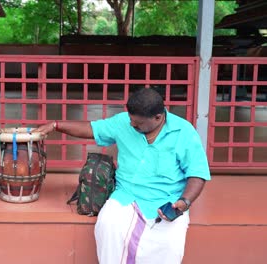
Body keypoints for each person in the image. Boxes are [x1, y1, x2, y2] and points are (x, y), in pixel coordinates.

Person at [34, 88, 210, 263]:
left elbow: (197, 173)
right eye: (131, 119)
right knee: (107, 226)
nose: (132, 125)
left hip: (166, 202)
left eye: (138, 123)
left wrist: (185, 201)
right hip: (126, 197)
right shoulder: (124, 122)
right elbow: (91, 129)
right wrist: (56, 125)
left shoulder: (184, 132)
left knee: (169, 246)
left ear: (158, 117)